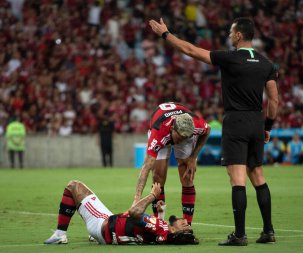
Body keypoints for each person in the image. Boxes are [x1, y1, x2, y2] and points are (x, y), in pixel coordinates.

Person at [149, 17, 279, 246]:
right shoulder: (267, 63)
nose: (229, 35)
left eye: (231, 31)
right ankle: (268, 231)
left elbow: (190, 50)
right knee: (258, 176)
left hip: (236, 121)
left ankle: (239, 235)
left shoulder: (230, 58)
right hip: (256, 121)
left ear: (239, 35)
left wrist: (165, 34)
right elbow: (275, 100)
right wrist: (267, 127)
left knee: (237, 178)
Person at [44, 180, 199, 245]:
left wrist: (152, 195)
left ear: (174, 230)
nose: (184, 221)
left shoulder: (162, 230)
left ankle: (60, 234)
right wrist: (160, 214)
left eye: (184, 225)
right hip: (111, 226)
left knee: (73, 186)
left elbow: (134, 213)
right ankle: (92, 236)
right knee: (83, 201)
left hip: (102, 224)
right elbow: (151, 229)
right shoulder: (163, 233)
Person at [133, 102, 210, 226]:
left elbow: (207, 131)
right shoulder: (157, 133)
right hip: (162, 128)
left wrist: (193, 157)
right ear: (173, 129)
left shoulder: (195, 124)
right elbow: (146, 167)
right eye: (180, 138)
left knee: (187, 176)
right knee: (158, 177)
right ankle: (158, 223)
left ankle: (187, 225)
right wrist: (137, 198)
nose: (181, 141)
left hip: (180, 126)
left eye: (185, 138)